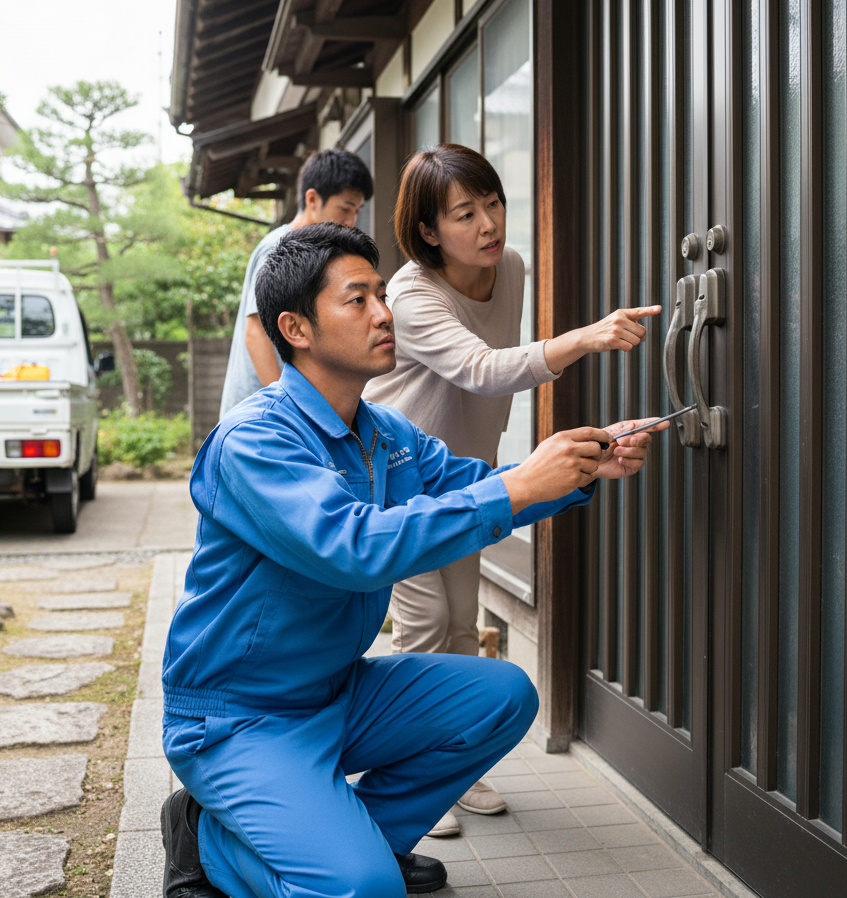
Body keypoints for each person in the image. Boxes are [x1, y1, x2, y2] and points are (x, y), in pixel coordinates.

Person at [161, 222, 662, 898]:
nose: (383, 313)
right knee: (365, 891)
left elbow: (472, 487)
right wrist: (517, 484)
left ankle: (365, 840)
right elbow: (353, 548)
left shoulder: (382, 433)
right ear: (297, 328)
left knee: (502, 695)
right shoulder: (255, 440)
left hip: (334, 692)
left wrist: (579, 467)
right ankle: (209, 842)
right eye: (357, 299)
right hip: (240, 716)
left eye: (381, 295)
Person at [362, 143, 661, 834]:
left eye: (491, 203)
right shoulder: (410, 293)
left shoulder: (512, 268)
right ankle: (414, 775)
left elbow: (495, 372)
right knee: (426, 623)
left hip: (469, 472)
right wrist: (587, 337)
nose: (489, 223)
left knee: (463, 621)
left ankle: (453, 768)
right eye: (465, 214)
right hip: (400, 479)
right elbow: (483, 369)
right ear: (430, 230)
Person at [217, 148, 373, 421]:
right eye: (345, 209)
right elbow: (255, 333)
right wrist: (289, 410)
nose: (350, 222)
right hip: (261, 414)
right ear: (312, 199)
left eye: (357, 211)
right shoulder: (279, 247)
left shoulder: (316, 254)